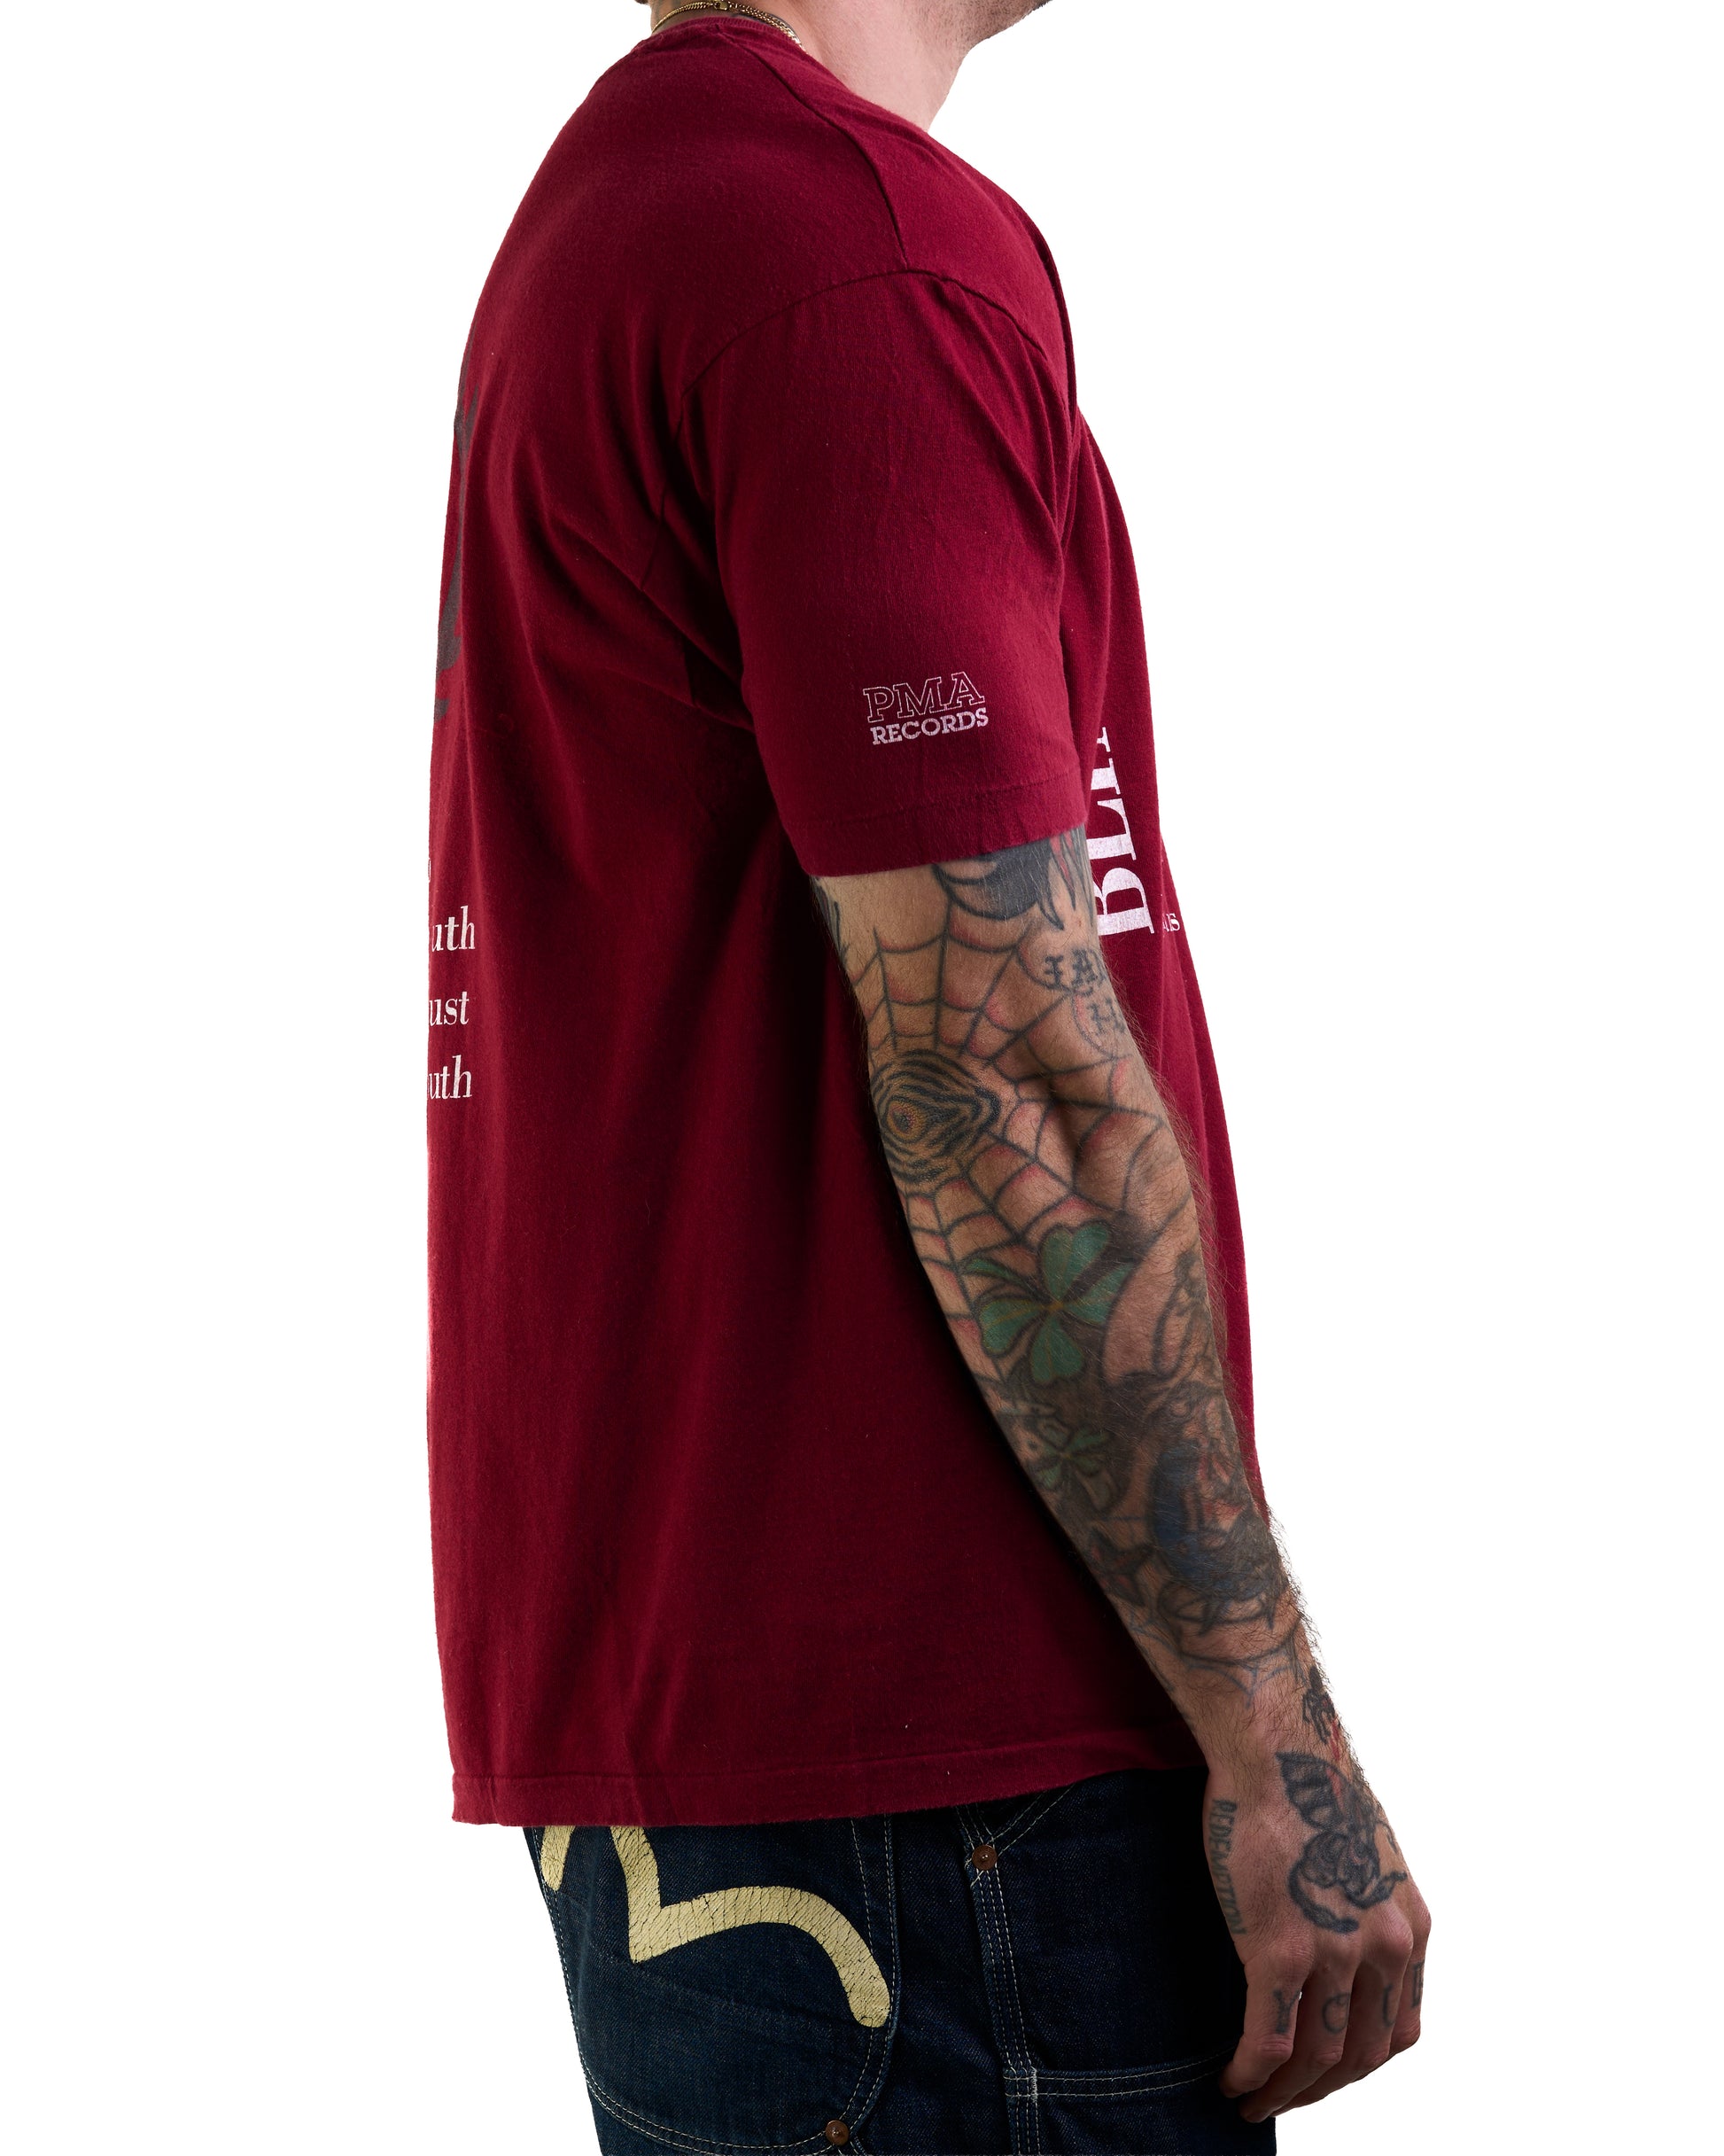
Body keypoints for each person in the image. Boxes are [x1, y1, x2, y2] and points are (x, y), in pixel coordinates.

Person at [425, 2, 1431, 2147]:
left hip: (727, 1745)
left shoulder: (623, 211)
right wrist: (1278, 1737)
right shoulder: (847, 249)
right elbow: (1005, 1063)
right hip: (954, 1790)